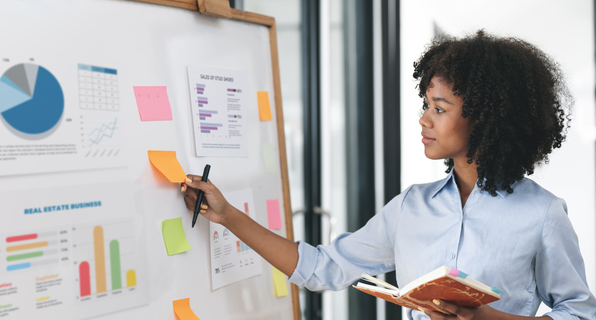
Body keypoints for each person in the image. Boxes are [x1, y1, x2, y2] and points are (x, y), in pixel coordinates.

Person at [181, 30, 596, 319]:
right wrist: (228, 215)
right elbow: (321, 268)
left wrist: (488, 318)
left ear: (485, 118)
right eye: (426, 105)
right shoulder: (411, 208)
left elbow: (579, 312)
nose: (423, 120)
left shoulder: (542, 214)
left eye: (439, 108)